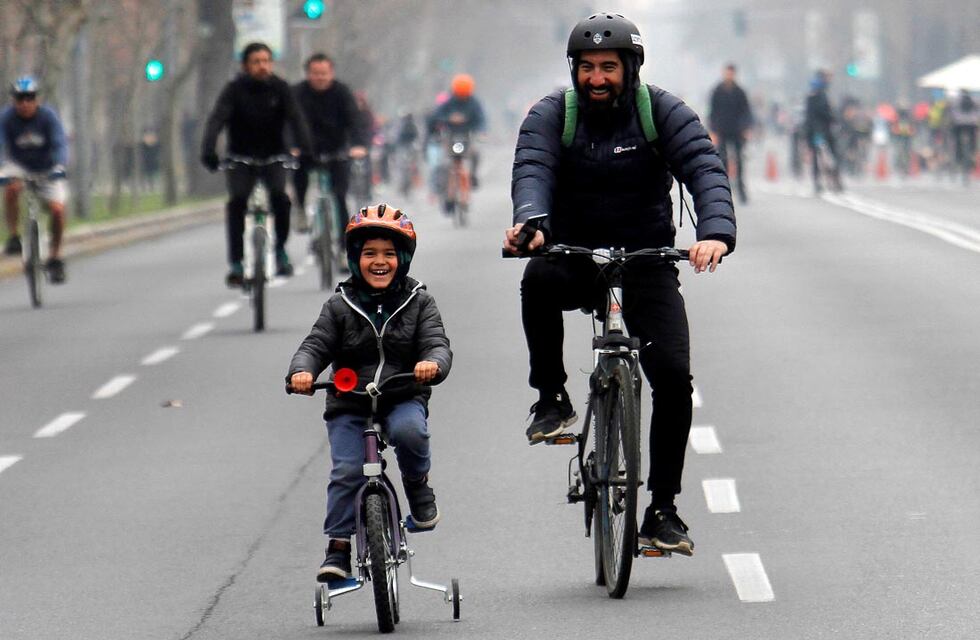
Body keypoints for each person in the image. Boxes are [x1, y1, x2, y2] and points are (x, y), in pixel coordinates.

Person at [503, 13, 736, 557]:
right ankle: (550, 398)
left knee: (674, 377)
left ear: (630, 68)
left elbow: (704, 168)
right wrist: (532, 224)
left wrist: (715, 234)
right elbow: (532, 171)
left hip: (646, 260)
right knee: (536, 280)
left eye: (609, 66)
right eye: (587, 67)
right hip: (574, 253)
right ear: (575, 70)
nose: (597, 78)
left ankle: (662, 511)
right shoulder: (551, 114)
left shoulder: (663, 112)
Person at [287, 203, 452, 582]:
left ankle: (417, 486)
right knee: (347, 470)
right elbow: (314, 345)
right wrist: (303, 371)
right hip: (350, 403)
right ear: (354, 258)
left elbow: (437, 344)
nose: (380, 262)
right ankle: (338, 547)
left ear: (404, 259)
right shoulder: (339, 306)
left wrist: (433, 363)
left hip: (401, 394)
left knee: (411, 432)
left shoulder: (419, 302)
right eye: (370, 254)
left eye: (389, 254)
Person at [200, 42, 311, 287]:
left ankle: (280, 249)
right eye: (256, 62)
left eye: (266, 61)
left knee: (280, 198)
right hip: (241, 156)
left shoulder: (281, 88)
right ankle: (237, 263)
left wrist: (305, 149)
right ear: (245, 65)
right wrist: (208, 149)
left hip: (274, 155)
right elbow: (217, 118)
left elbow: (296, 118)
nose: (262, 66)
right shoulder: (234, 90)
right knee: (237, 202)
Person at [0, 75, 69, 283]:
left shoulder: (48, 117)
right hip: (19, 166)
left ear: (37, 99)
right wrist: (3, 170)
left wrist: (59, 165)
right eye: (20, 98)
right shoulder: (6, 118)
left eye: (29, 98)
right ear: (14, 100)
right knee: (11, 189)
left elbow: (59, 143)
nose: (25, 103)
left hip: (48, 168)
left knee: (57, 210)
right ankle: (14, 236)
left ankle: (55, 257)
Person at [291, 53, 368, 238]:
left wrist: (357, 145)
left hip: (337, 150)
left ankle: (343, 248)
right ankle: (300, 208)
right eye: (315, 73)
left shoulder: (342, 92)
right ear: (308, 74)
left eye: (324, 73)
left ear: (331, 73)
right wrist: (291, 145)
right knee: (299, 177)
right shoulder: (296, 93)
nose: (320, 77)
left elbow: (354, 120)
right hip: (306, 150)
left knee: (339, 197)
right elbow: (287, 121)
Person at [428, 74, 487, 188]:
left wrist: (481, 131)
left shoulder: (474, 103)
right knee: (443, 160)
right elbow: (437, 115)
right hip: (450, 135)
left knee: (475, 154)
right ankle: (441, 185)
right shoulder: (449, 102)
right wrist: (449, 119)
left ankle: (473, 175)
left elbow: (481, 118)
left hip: (467, 135)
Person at [708, 63, 753, 203]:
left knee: (739, 160)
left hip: (737, 131)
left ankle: (741, 190)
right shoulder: (717, 91)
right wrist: (713, 130)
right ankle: (724, 190)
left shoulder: (740, 92)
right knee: (723, 160)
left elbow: (746, 111)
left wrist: (746, 128)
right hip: (722, 130)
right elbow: (712, 112)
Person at [803, 69, 842, 193]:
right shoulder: (821, 95)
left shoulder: (811, 94)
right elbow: (824, 112)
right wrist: (834, 119)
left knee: (818, 156)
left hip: (814, 130)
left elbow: (808, 115)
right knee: (831, 154)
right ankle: (835, 180)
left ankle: (818, 182)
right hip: (822, 130)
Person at [949, 89, 978, 181]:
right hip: (971, 124)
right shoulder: (974, 99)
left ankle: (958, 156)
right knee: (973, 140)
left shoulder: (956, 100)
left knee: (957, 140)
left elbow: (952, 112)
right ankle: (973, 152)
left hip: (959, 124)